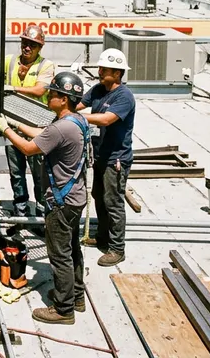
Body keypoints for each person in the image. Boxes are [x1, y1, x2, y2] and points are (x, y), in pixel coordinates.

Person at [0, 71, 90, 325]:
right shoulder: (76, 121)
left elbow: (28, 147)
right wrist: (15, 124)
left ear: (64, 99)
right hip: (75, 198)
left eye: (54, 94)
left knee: (59, 256)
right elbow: (42, 131)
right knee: (72, 250)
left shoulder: (62, 128)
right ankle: (75, 296)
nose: (49, 96)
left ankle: (63, 309)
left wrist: (5, 131)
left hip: (60, 203)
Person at [77, 48, 135, 267]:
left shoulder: (124, 96)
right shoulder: (99, 89)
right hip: (100, 156)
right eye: (100, 68)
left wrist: (76, 117)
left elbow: (106, 119)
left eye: (105, 69)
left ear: (118, 73)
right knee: (99, 197)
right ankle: (103, 238)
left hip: (116, 159)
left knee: (113, 202)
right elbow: (79, 104)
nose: (100, 72)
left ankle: (117, 248)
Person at [2, 25, 55, 217]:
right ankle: (21, 210)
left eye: (32, 45)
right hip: (12, 125)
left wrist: (12, 89)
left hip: (37, 128)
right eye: (25, 43)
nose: (27, 47)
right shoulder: (9, 61)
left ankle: (41, 212)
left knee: (39, 174)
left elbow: (40, 90)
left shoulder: (45, 66)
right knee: (16, 173)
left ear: (40, 47)